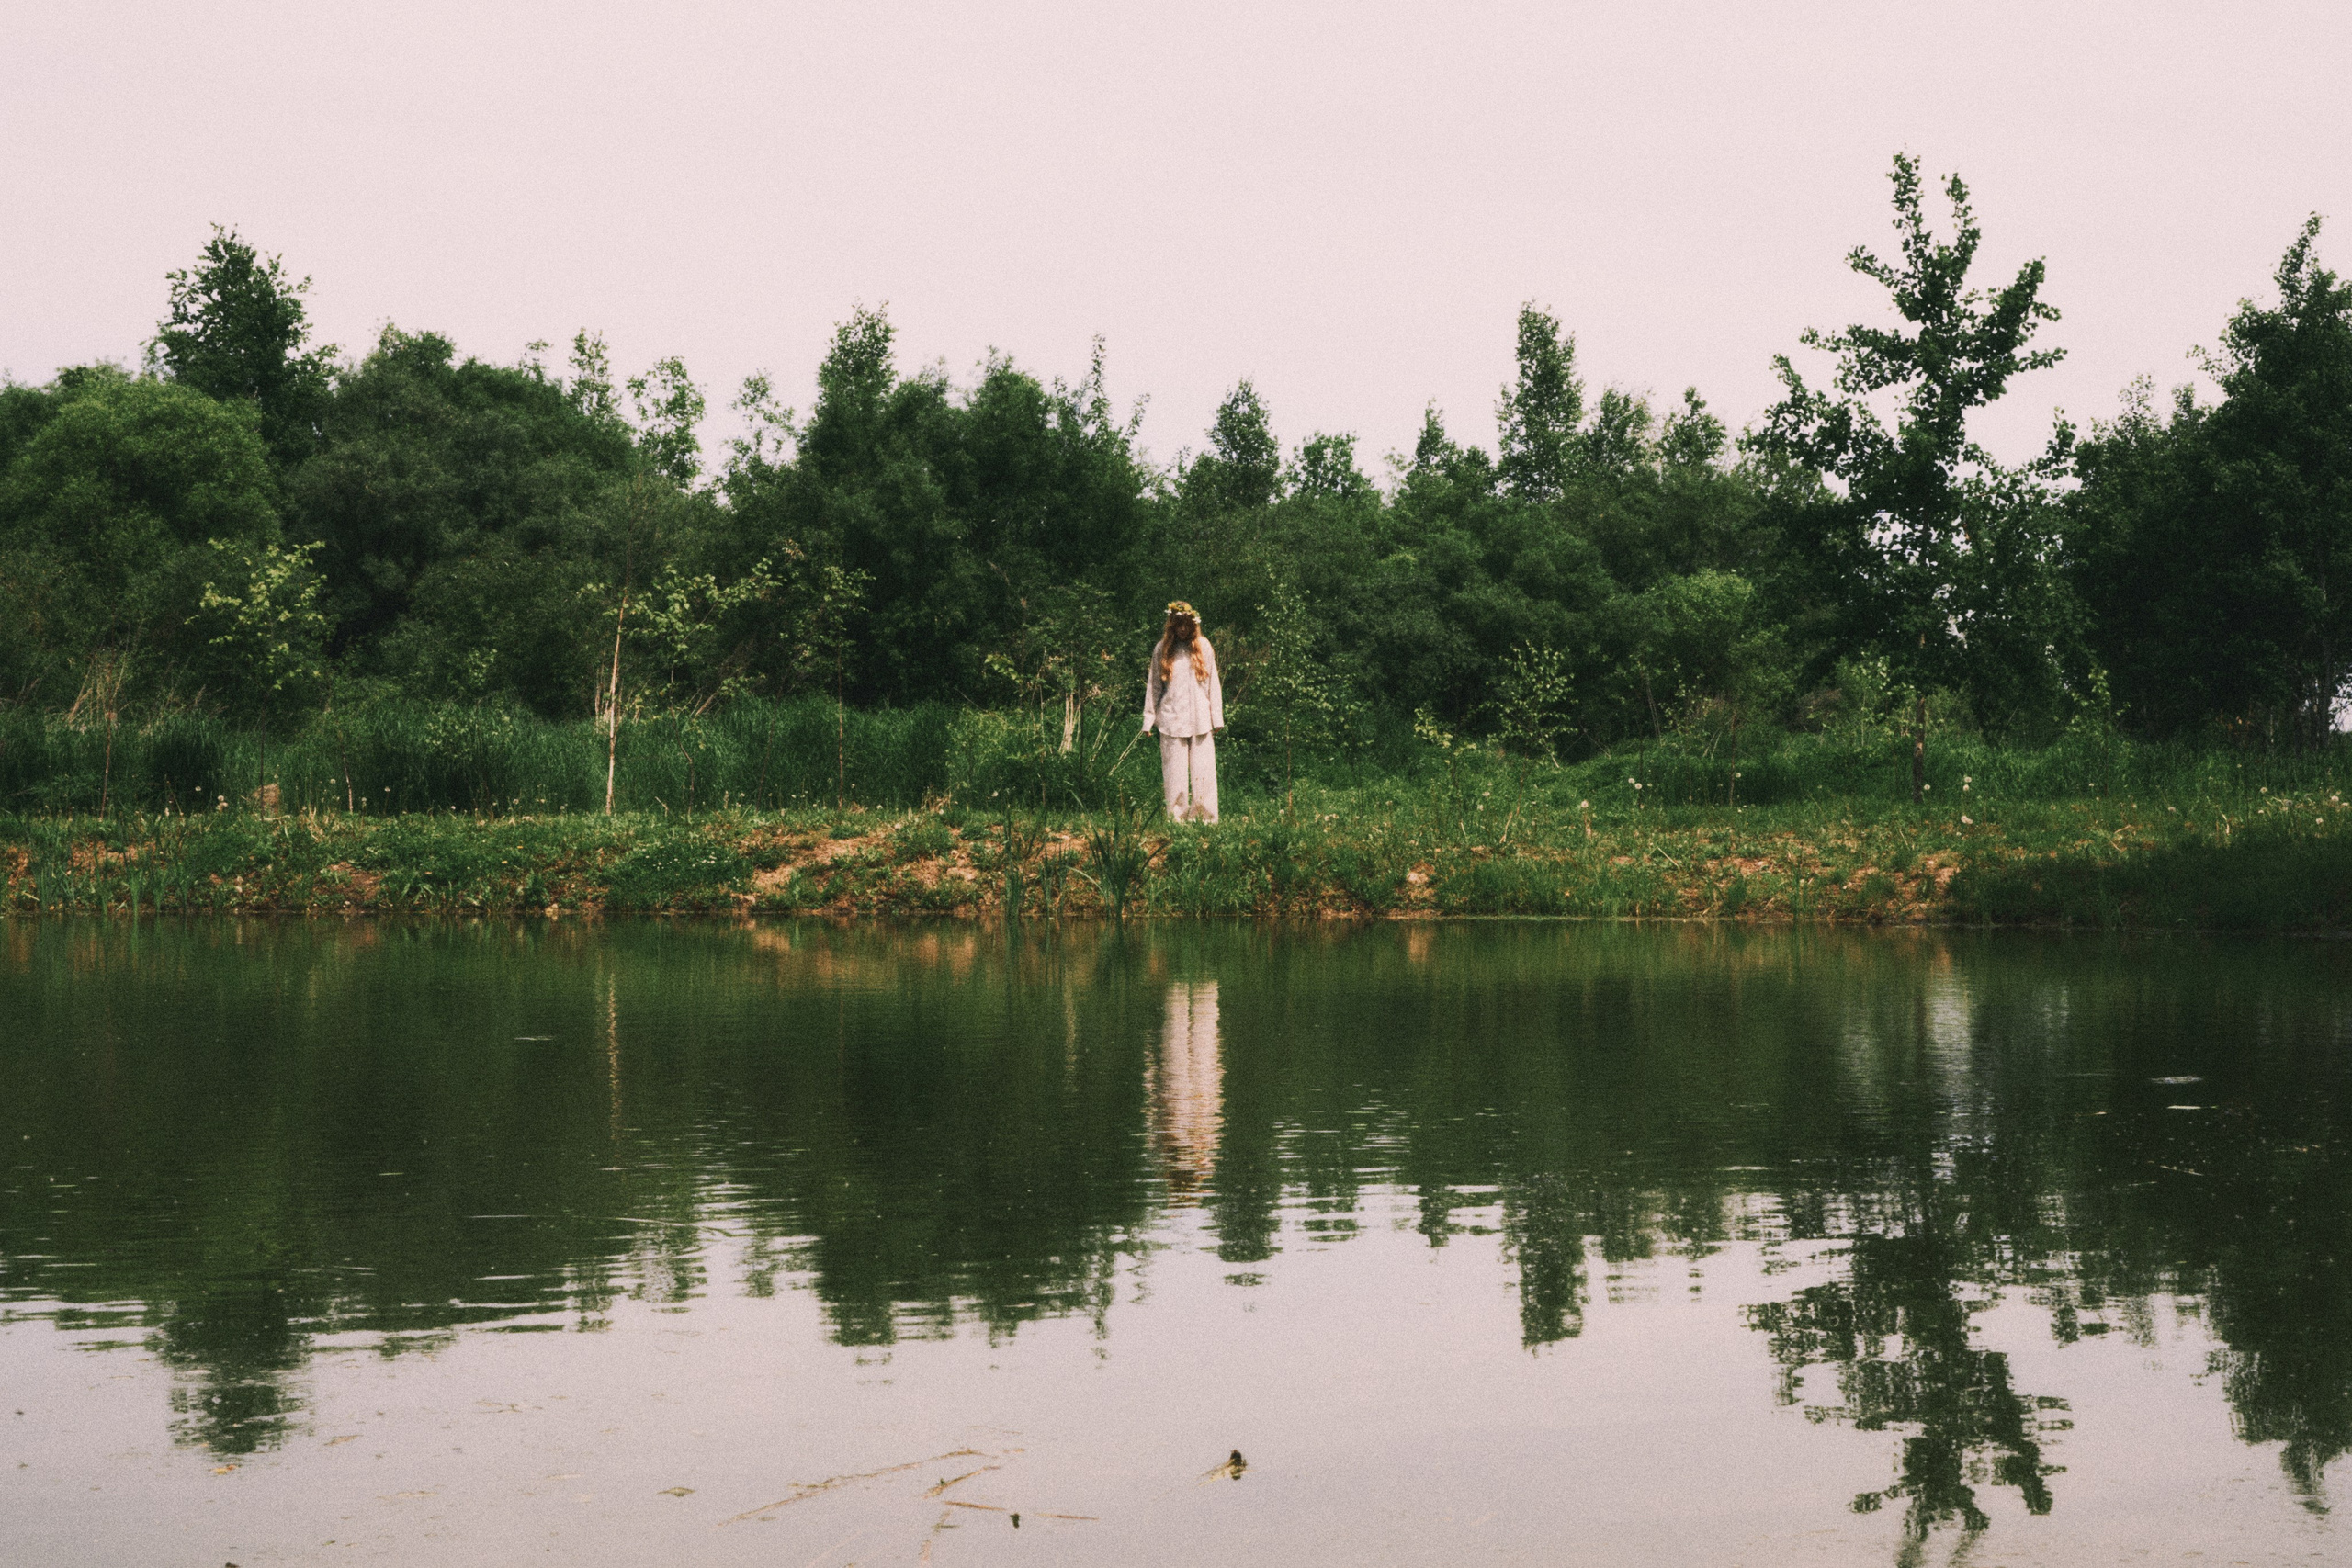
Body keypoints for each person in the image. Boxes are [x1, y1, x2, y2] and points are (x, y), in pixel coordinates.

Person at [1142, 600, 1223, 823]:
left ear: (1193, 624)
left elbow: (1212, 683)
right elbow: (1154, 686)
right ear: (1172, 625)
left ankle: (1206, 820)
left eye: (1186, 624)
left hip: (1200, 720)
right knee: (1175, 775)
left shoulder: (1204, 646)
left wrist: (1217, 717)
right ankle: (1177, 821)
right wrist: (1148, 720)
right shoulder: (1162, 649)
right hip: (1171, 718)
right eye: (1178, 624)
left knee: (1203, 773)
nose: (1183, 629)